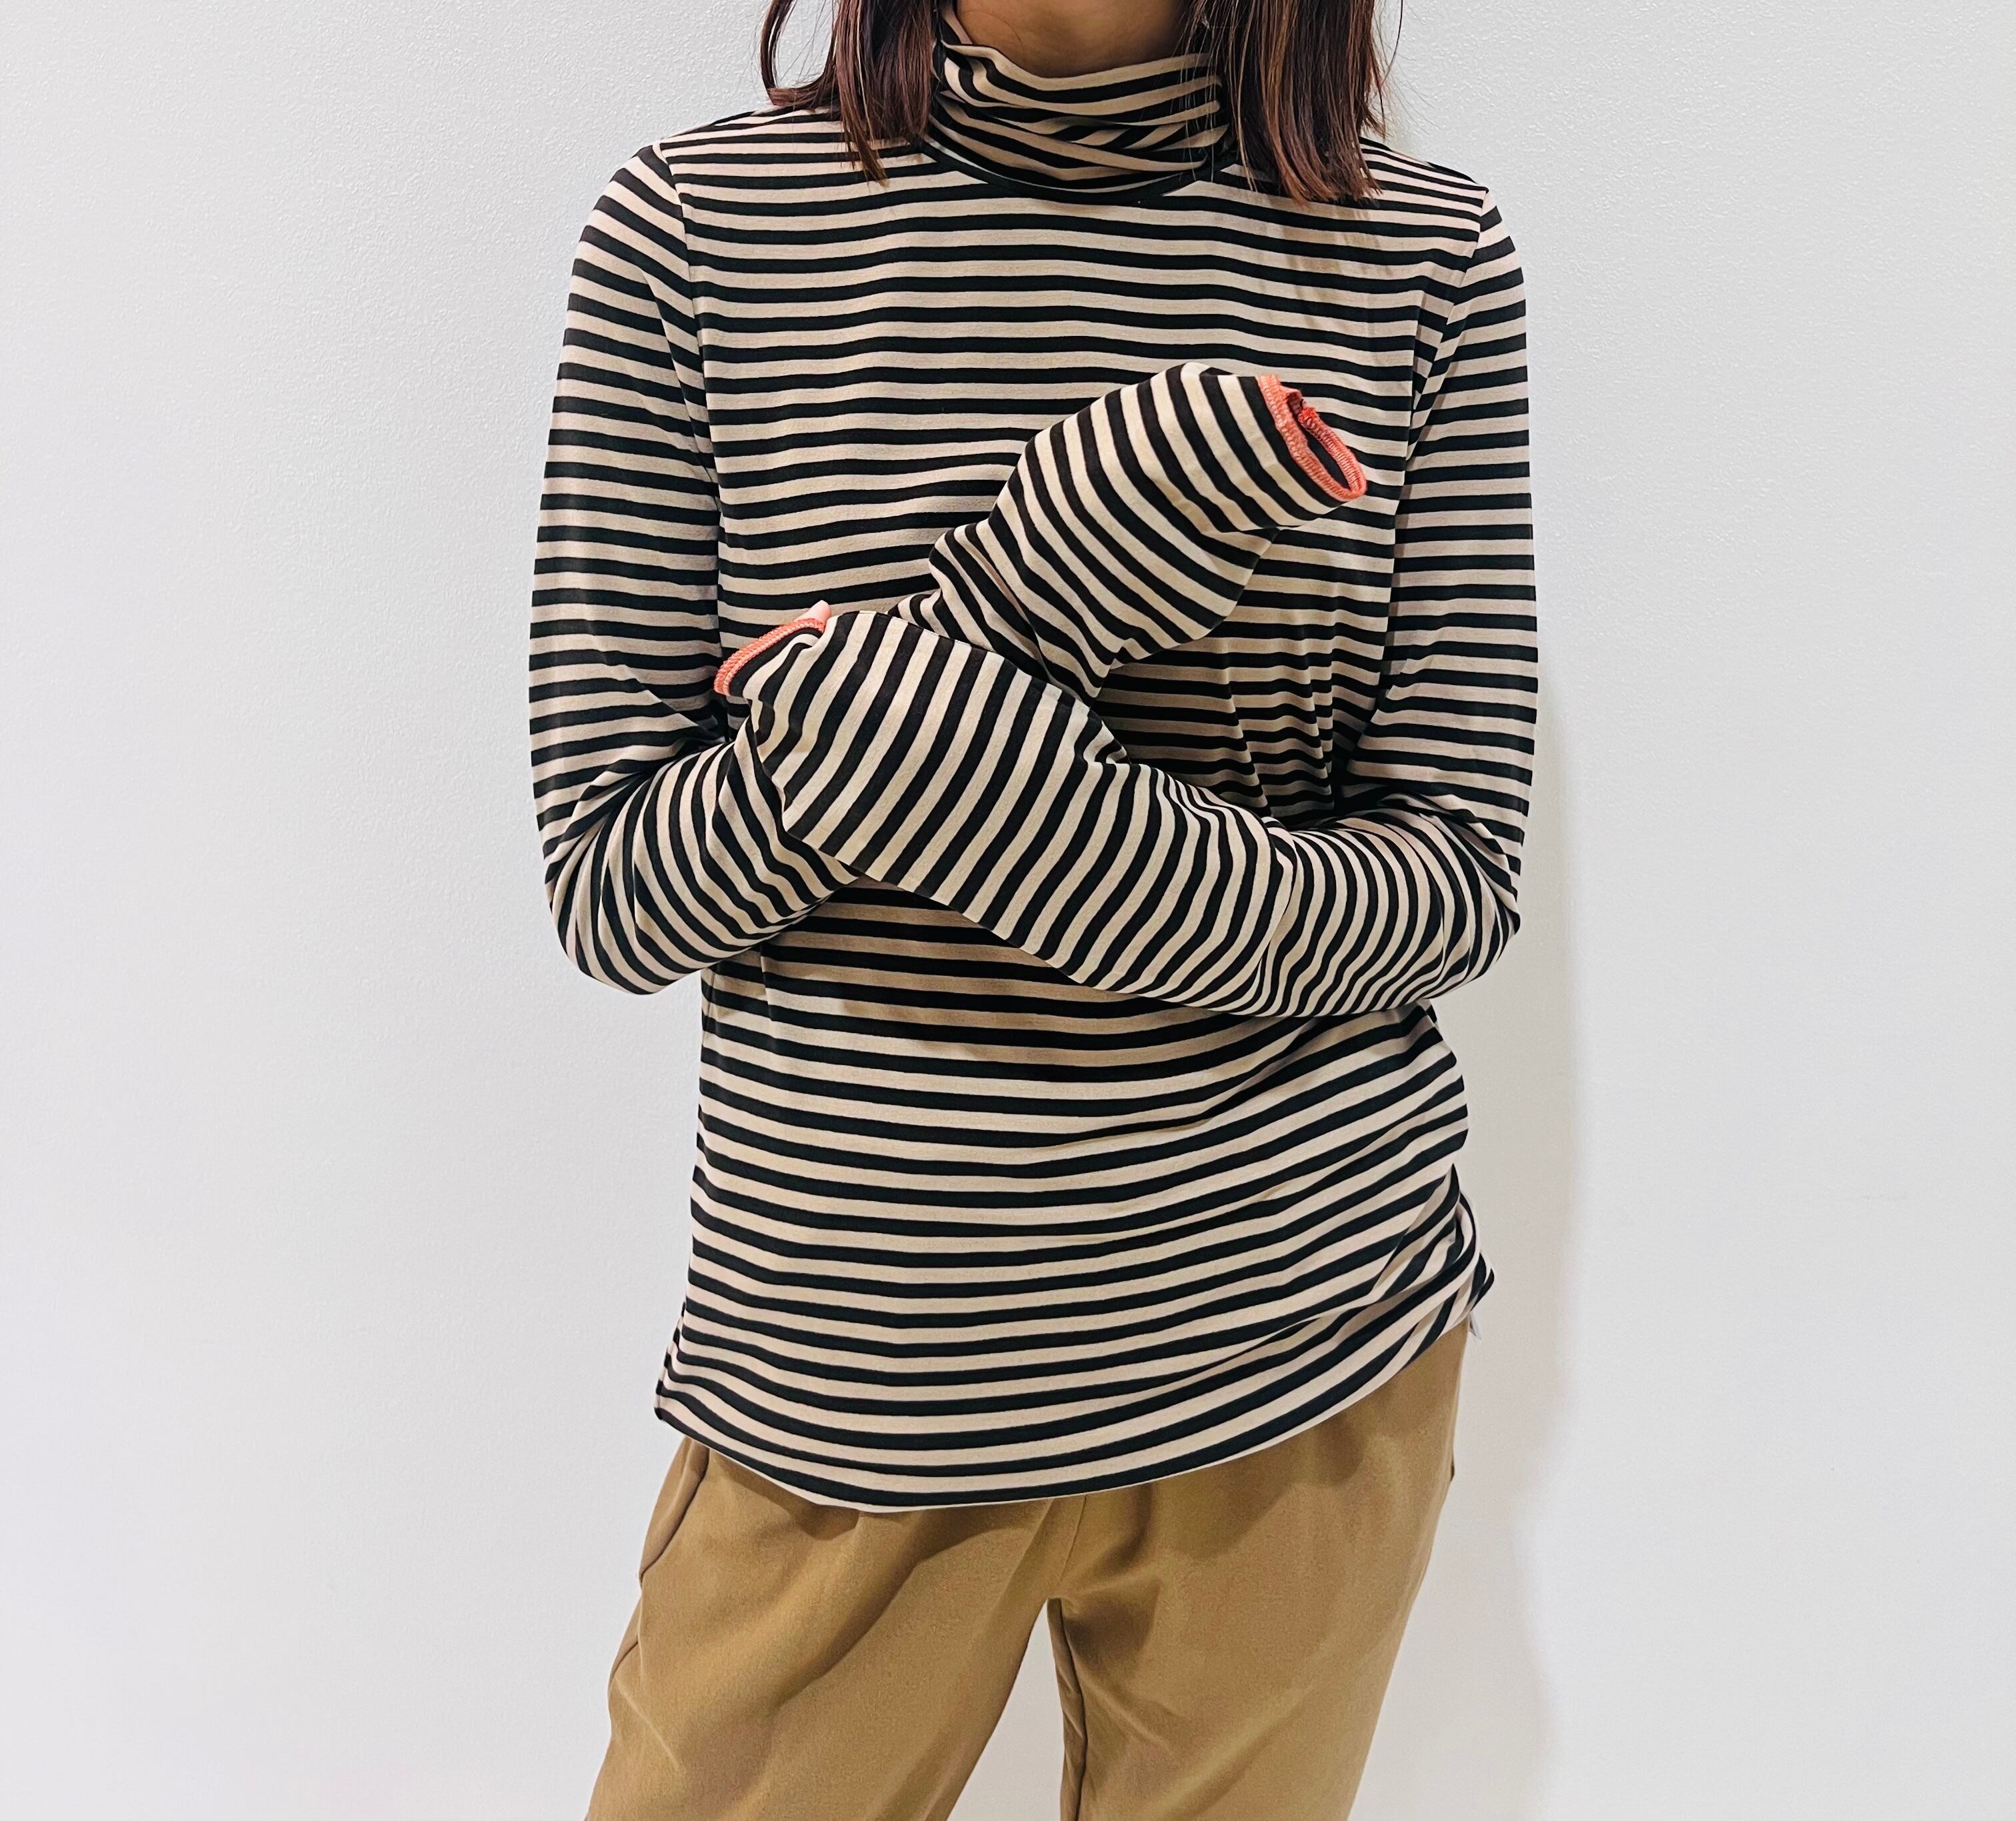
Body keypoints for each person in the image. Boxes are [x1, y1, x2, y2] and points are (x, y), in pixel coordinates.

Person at [527, 0, 1535, 1813]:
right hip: (857, 1378)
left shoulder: (1420, 252)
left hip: (1312, 1351)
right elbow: (616, 887)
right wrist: (1020, 603)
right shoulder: (695, 234)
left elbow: (1454, 881)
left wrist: (959, 755)